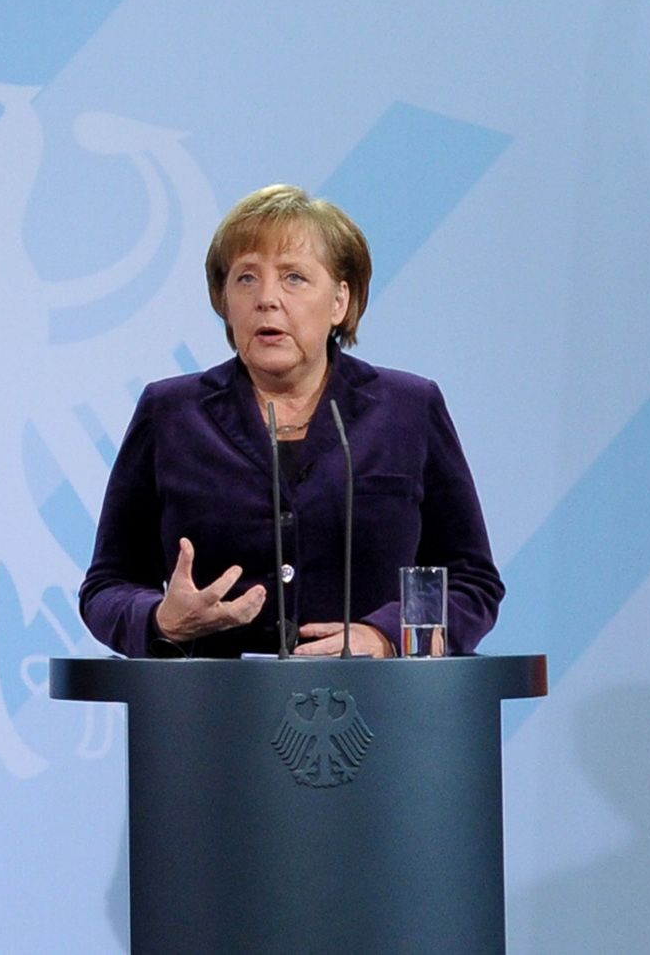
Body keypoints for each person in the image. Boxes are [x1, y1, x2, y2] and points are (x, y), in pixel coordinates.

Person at [80, 184, 502, 658]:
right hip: (212, 714)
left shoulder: (407, 409)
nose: (266, 299)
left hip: (376, 714)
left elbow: (472, 581)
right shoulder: (170, 413)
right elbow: (106, 587)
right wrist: (161, 619)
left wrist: (383, 636)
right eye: (245, 279)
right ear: (224, 301)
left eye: (294, 278)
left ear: (340, 301)